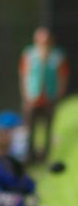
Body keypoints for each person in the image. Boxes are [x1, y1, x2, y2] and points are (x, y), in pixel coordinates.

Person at [20, 26, 69, 162]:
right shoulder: (29, 54)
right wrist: (25, 95)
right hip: (32, 97)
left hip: (49, 97)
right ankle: (29, 155)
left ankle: (45, 156)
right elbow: (24, 75)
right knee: (29, 129)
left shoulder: (57, 56)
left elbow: (63, 77)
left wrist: (58, 95)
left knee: (48, 128)